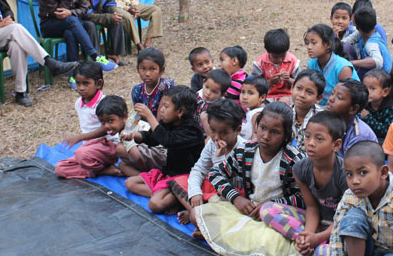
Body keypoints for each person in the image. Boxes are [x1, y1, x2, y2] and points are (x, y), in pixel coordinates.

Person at [195, 102, 305, 256]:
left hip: (277, 218)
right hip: (248, 210)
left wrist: (271, 205)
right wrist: (236, 198)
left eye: (275, 132)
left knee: (270, 243)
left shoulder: (294, 160)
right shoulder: (245, 150)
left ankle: (225, 239)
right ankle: (225, 237)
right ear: (256, 126)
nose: (266, 136)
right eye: (263, 128)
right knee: (198, 215)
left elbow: (302, 198)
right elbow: (215, 174)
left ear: (286, 135)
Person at [260, 112, 348, 255]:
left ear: (336, 145)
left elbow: (347, 217)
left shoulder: (345, 173)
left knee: (325, 253)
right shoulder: (300, 168)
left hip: (340, 225)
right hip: (317, 221)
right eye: (307, 136)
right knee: (267, 209)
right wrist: (308, 235)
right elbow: (312, 207)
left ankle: (316, 244)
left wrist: (319, 238)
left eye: (319, 139)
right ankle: (304, 242)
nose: (311, 143)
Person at [169, 99, 245, 238]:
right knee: (178, 183)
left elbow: (235, 184)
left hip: (232, 196)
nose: (216, 136)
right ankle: (201, 216)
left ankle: (204, 223)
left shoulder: (244, 150)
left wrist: (221, 158)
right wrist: (195, 193)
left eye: (224, 132)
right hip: (213, 191)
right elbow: (199, 169)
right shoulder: (212, 143)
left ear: (238, 130)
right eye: (213, 130)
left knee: (194, 216)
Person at [123, 85, 205, 214]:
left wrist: (150, 116)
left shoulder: (192, 130)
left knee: (155, 204)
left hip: (185, 177)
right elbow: (152, 138)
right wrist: (134, 136)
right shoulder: (169, 122)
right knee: (130, 183)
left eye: (166, 106)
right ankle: (167, 194)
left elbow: (168, 140)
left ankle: (176, 197)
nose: (161, 110)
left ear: (180, 111)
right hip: (169, 172)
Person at [37, 0, 117, 72]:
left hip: (71, 23)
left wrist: (71, 12)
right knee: (71, 20)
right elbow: (59, 14)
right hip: (50, 25)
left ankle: (73, 73)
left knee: (75, 29)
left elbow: (84, 8)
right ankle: (95, 56)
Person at [55, 64, 124, 179]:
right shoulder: (79, 103)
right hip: (89, 150)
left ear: (98, 84)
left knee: (80, 154)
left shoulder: (104, 104)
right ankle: (100, 170)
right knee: (60, 168)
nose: (81, 88)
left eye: (86, 83)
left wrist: (80, 137)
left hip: (108, 146)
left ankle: (96, 166)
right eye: (78, 83)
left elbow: (108, 128)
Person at [118, 47, 175, 176]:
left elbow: (163, 119)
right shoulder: (137, 90)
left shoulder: (165, 86)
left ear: (162, 70)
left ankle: (148, 171)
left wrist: (147, 116)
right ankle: (148, 173)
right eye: (143, 69)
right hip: (144, 131)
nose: (147, 73)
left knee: (126, 155)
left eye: (152, 69)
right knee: (120, 153)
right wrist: (129, 130)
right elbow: (137, 115)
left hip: (162, 133)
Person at [82, 0, 127, 66]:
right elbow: (87, 14)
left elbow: (110, 2)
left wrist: (114, 13)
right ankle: (96, 59)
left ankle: (114, 54)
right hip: (84, 18)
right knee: (91, 26)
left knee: (117, 20)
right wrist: (109, 17)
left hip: (99, 15)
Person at [305, 24, 359, 106]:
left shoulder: (343, 68)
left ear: (328, 45)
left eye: (313, 43)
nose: (309, 47)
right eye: (307, 43)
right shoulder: (311, 64)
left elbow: (346, 99)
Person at [325, 79, 378, 157]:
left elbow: (351, 167)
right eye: (332, 93)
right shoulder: (324, 121)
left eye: (339, 98)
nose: (331, 99)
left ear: (353, 109)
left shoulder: (359, 135)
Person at [342, 7, 392, 79]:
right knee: (346, 47)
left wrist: (352, 63)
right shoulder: (363, 33)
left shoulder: (371, 44)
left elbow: (378, 61)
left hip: (381, 77)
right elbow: (346, 41)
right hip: (376, 74)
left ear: (357, 27)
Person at [252, 28, 300, 103]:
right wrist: (270, 82)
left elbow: (300, 84)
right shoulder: (260, 63)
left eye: (283, 56)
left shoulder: (293, 61)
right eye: (275, 57)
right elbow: (255, 87)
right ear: (268, 51)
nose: (280, 60)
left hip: (289, 96)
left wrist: (289, 80)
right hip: (266, 97)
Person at [358, 69, 393, 145]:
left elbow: (387, 131)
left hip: (384, 143)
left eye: (372, 88)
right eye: (365, 87)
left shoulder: (392, 109)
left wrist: (368, 118)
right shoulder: (364, 103)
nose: (367, 91)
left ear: (385, 92)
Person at [290, 69, 325, 153]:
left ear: (318, 98)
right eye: (299, 88)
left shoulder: (322, 120)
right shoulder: (286, 113)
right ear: (292, 88)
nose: (302, 95)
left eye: (309, 92)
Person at [197, 68, 231, 135]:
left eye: (214, 91)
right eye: (206, 87)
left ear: (222, 94)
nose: (208, 93)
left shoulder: (219, 107)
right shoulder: (198, 94)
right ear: (203, 82)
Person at [240, 76, 269, 140]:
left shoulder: (258, 115)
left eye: (250, 93)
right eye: (242, 92)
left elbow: (255, 137)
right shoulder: (250, 110)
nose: (244, 97)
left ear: (262, 97)